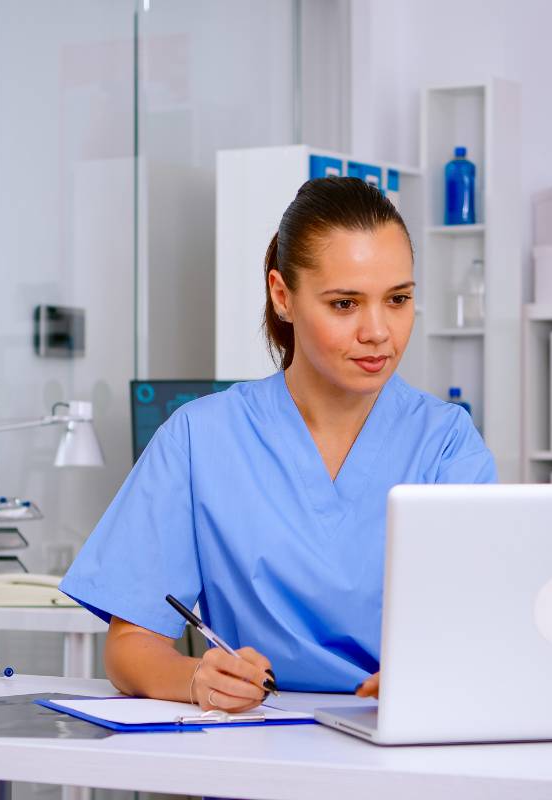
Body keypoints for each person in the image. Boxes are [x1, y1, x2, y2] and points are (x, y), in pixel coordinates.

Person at [61, 177, 495, 712]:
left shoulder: (446, 442)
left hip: (403, 751)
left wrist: (438, 672)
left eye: (398, 299)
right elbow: (130, 647)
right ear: (282, 295)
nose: (378, 331)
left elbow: (485, 626)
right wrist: (199, 677)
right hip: (256, 746)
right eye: (344, 304)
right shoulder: (201, 438)